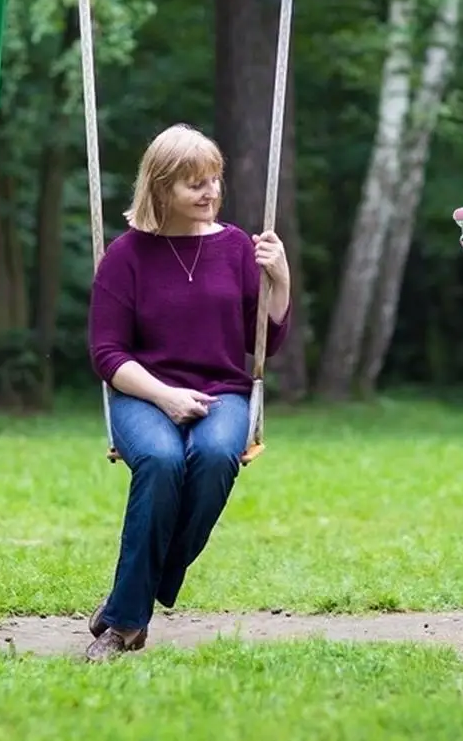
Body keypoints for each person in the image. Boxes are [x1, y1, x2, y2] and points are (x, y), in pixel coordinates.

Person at [84, 124, 292, 662]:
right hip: (142, 393)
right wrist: (165, 396)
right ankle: (125, 626)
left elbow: (260, 342)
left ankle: (127, 596)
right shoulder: (125, 257)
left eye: (214, 180)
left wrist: (281, 282)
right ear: (160, 189)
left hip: (222, 390)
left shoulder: (236, 249)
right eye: (193, 184)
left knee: (217, 453)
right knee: (158, 458)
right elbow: (107, 354)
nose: (210, 193)